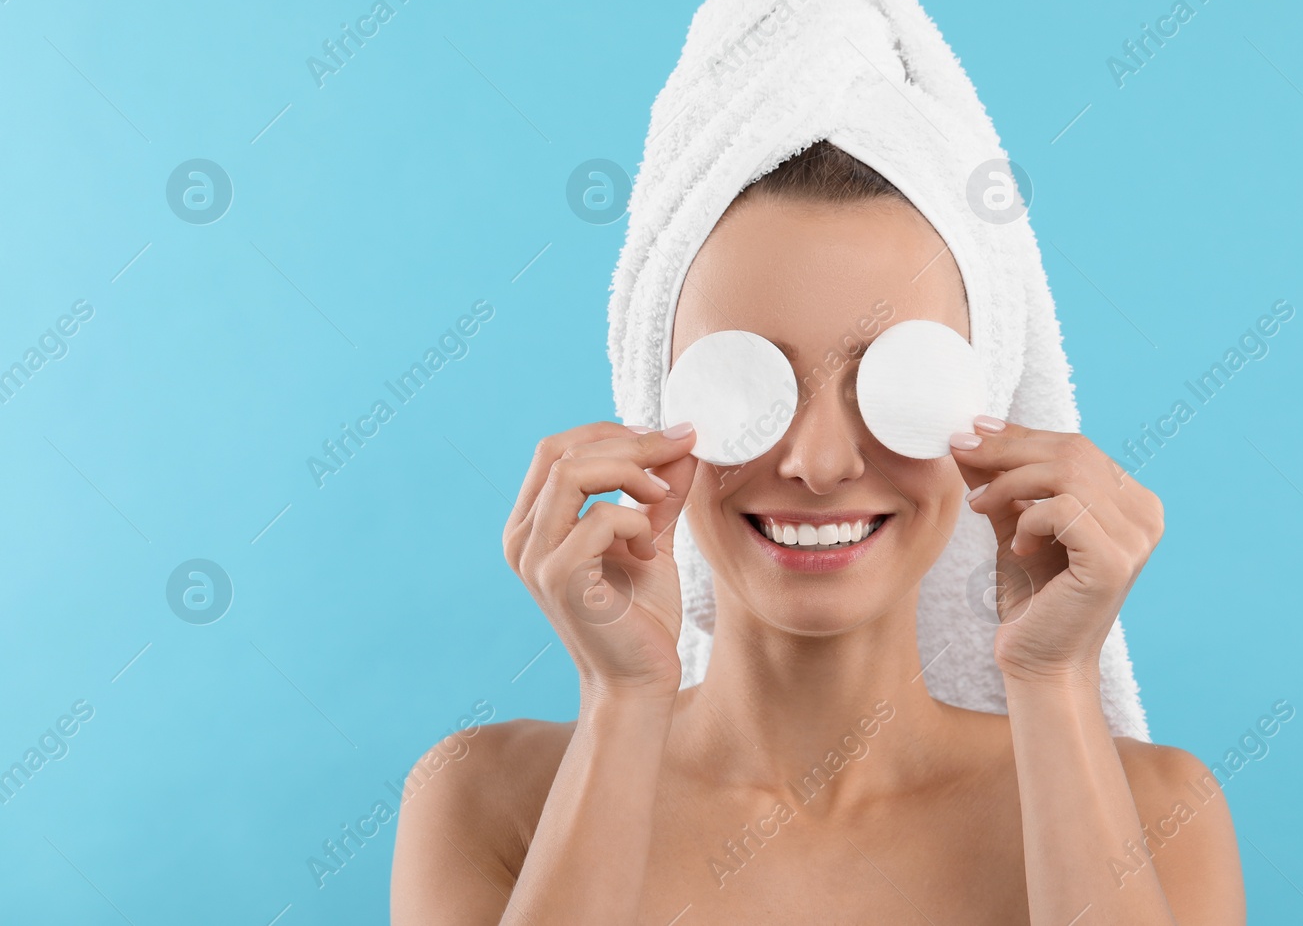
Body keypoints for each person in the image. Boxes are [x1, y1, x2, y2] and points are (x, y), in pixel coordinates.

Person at [391, 140, 1246, 924]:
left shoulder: (1157, 814)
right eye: (748, 377)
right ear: (656, 410)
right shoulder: (484, 801)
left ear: (986, 412)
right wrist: (620, 707)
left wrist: (1055, 681)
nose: (821, 460)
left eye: (896, 379)